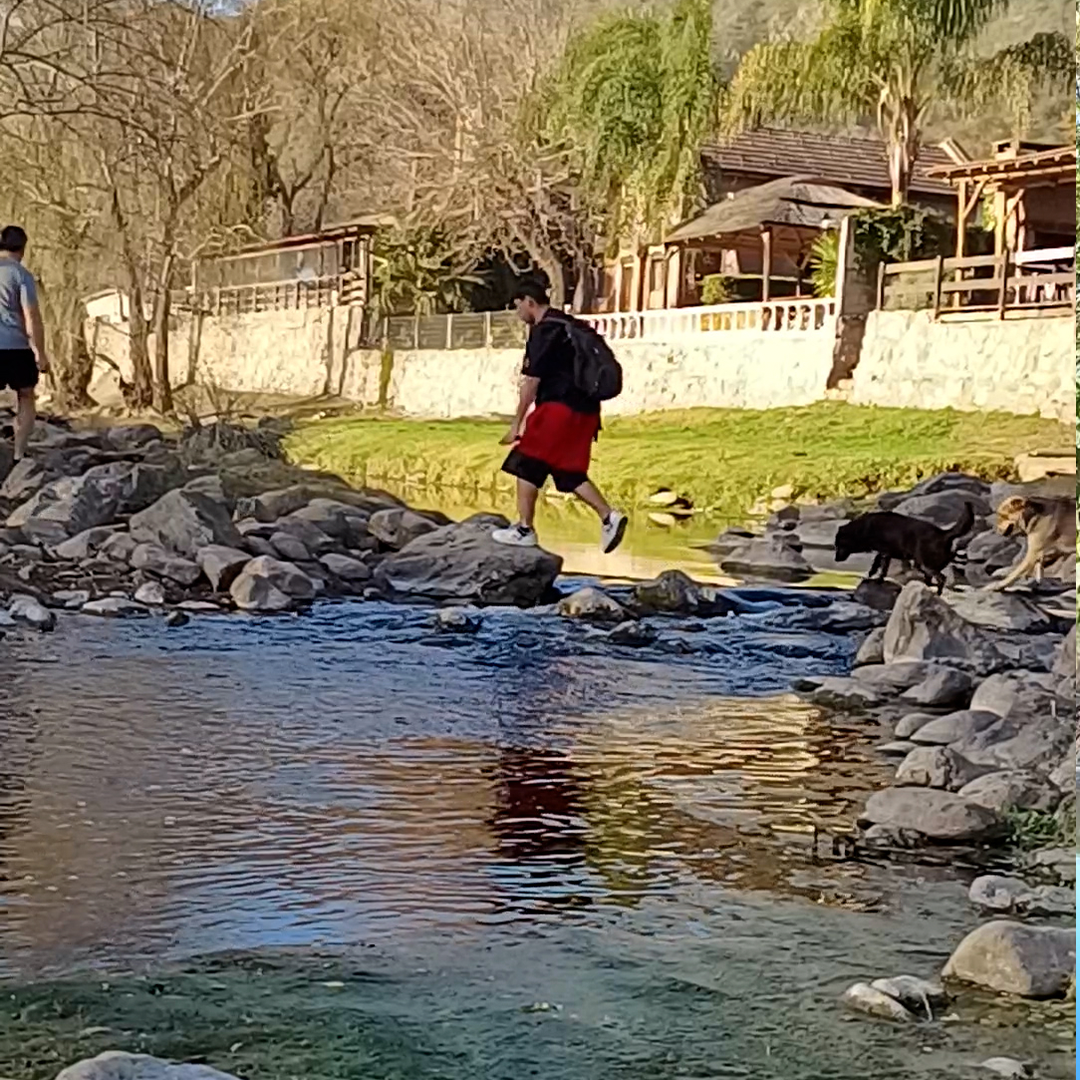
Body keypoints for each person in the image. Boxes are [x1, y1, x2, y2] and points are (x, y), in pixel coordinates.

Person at [492, 281, 627, 553]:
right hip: (587, 413)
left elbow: (531, 382)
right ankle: (608, 516)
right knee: (567, 471)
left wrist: (517, 423)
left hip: (558, 409)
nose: (517, 314)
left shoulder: (544, 331)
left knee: (526, 462)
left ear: (529, 301)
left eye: (517, 306)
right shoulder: (571, 325)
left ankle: (524, 529)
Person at [0, 225, 48, 462]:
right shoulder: (21, 275)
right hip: (17, 346)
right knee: (26, 396)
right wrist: (40, 352)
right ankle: (19, 452)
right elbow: (32, 316)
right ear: (23, 248)